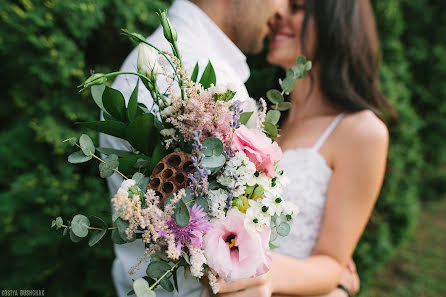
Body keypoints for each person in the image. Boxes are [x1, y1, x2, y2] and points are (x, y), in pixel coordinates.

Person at [101, 0, 359, 296]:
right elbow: (226, 265)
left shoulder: (180, 64)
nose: (280, 11)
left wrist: (325, 270)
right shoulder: (196, 77)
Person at [215, 0, 396, 296]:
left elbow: (333, 263)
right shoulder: (256, 118)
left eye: (297, 6)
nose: (277, 13)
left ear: (336, 23)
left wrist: (259, 271)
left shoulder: (362, 132)